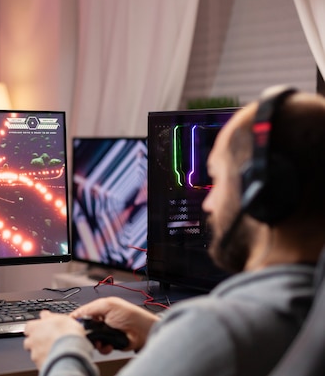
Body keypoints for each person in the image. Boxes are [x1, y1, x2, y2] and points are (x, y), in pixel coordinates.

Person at [23, 86, 325, 376]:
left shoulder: (218, 329)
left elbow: (221, 342)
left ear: (259, 195)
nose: (207, 202)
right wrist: (163, 333)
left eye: (217, 180)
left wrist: (61, 350)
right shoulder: (309, 312)